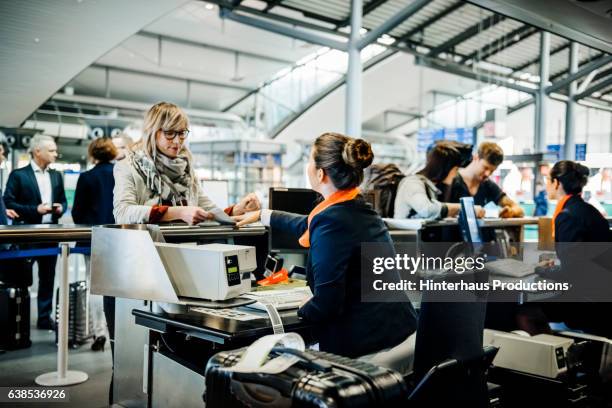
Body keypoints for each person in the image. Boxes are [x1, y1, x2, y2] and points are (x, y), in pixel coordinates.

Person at [235, 132, 418, 358]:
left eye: (310, 161)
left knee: (270, 357)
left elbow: (326, 304)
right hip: (400, 335)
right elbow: (309, 224)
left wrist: (304, 307)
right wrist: (263, 214)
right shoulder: (357, 207)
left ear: (320, 173)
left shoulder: (332, 221)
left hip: (366, 348)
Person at [113, 102, 260, 225]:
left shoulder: (186, 170)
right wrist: (178, 212)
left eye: (182, 133)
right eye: (170, 133)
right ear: (152, 132)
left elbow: (208, 211)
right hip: (147, 252)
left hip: (187, 251)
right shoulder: (128, 166)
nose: (177, 141)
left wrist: (238, 209)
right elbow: (123, 213)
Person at [3, 135, 67, 330]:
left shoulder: (56, 175)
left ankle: (44, 318)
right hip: (27, 234)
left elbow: (63, 200)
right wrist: (35, 210)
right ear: (37, 151)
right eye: (52, 150)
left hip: (51, 234)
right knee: (23, 278)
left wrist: (60, 209)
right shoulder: (19, 175)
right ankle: (19, 318)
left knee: (48, 278)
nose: (56, 154)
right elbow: (9, 201)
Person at [72, 138, 118, 351]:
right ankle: (118, 332)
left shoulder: (87, 178)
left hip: (93, 240)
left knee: (96, 286)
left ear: (93, 154)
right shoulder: (121, 175)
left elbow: (77, 214)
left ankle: (100, 333)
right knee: (119, 287)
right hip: (120, 239)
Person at [394, 141, 484, 220]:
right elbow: (427, 210)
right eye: (456, 169)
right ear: (445, 168)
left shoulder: (431, 186)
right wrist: (467, 209)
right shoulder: (412, 183)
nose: (456, 175)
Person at [447, 142, 524, 218]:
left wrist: (510, 212)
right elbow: (439, 208)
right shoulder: (451, 179)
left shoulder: (487, 184)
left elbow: (518, 209)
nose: (488, 174)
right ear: (476, 158)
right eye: (485, 167)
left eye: (492, 171)